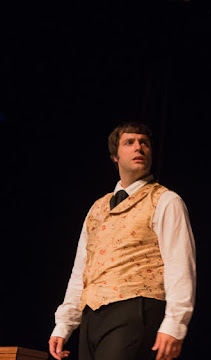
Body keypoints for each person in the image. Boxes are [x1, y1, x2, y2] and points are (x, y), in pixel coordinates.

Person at [49, 122, 196, 360]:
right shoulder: (97, 207)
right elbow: (82, 270)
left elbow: (181, 264)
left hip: (136, 310)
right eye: (130, 143)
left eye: (144, 143)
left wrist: (175, 323)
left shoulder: (166, 200)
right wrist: (65, 324)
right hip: (92, 316)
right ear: (115, 156)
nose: (139, 148)